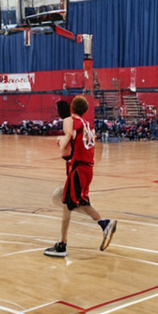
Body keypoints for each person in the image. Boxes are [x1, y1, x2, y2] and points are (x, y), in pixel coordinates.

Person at [45, 95, 118, 258]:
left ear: (72, 108)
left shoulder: (70, 121)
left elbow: (68, 137)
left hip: (78, 169)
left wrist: (61, 141)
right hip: (87, 168)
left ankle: (62, 245)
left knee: (66, 205)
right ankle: (104, 223)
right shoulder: (87, 125)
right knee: (80, 202)